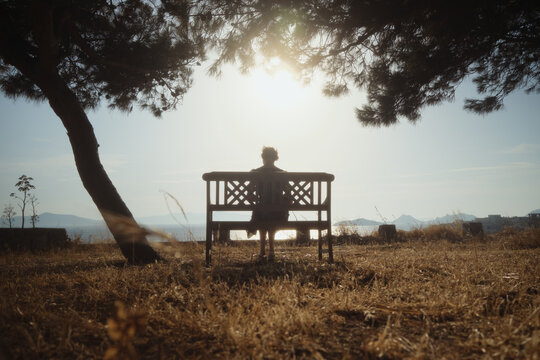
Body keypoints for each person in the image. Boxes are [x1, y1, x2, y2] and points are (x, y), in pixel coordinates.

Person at [248, 146, 288, 261]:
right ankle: (271, 250)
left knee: (262, 212)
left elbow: (249, 193)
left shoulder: (256, 173)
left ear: (262, 157)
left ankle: (262, 251)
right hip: (278, 213)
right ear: (275, 158)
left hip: (260, 213)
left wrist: (255, 203)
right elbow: (289, 193)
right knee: (271, 215)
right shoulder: (282, 174)